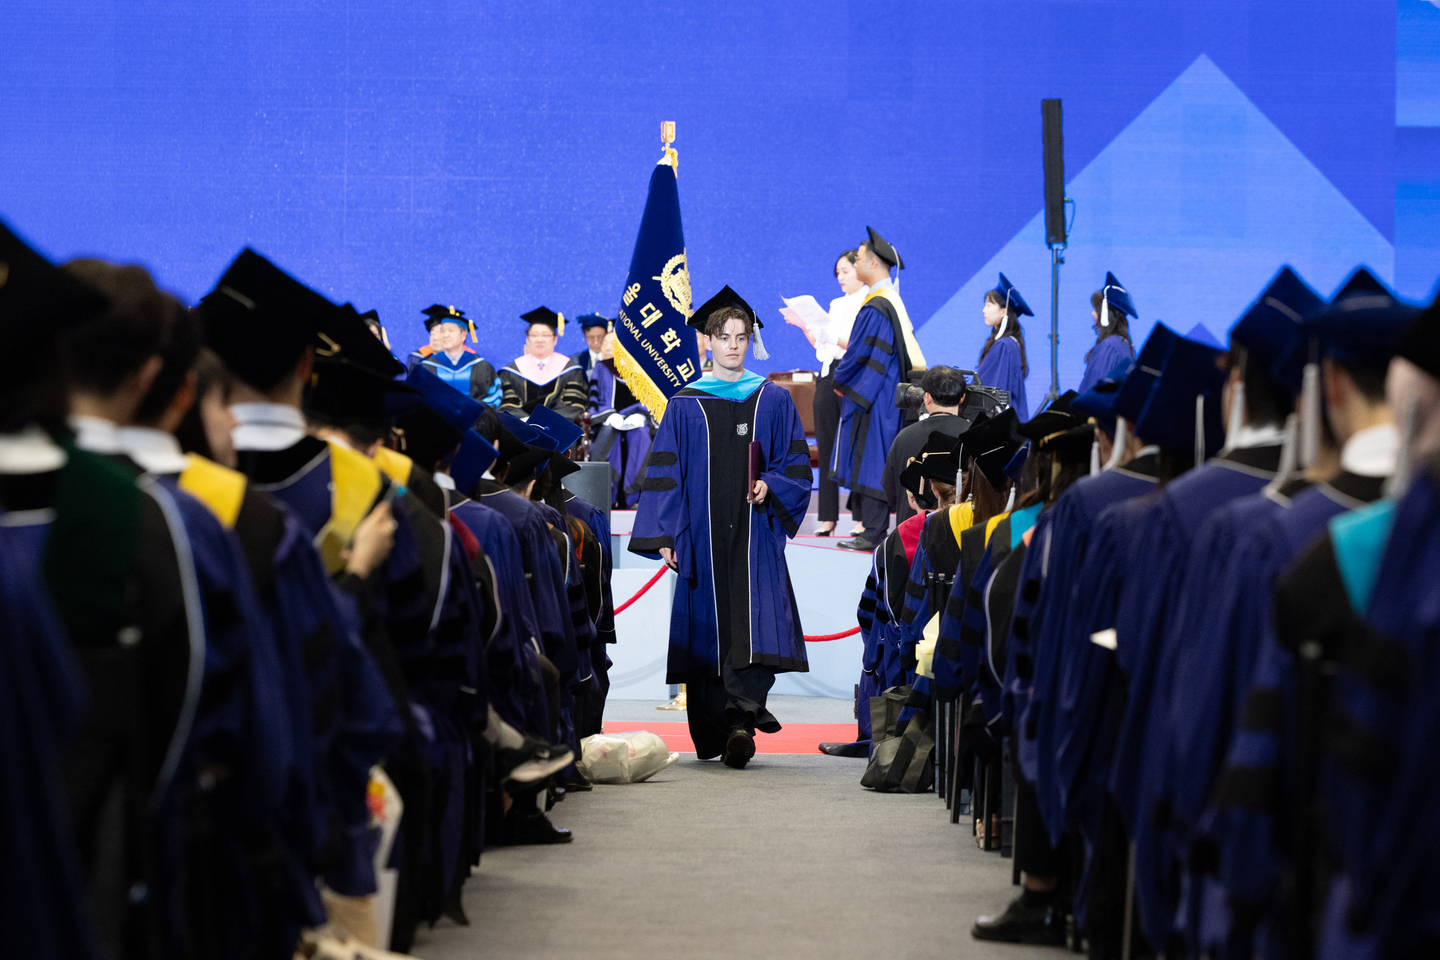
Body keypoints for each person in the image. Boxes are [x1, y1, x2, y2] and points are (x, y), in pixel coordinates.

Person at [629, 285, 813, 769]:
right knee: (710, 627)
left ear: (750, 341)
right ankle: (719, 728)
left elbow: (795, 466)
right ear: (707, 342)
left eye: (742, 336)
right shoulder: (685, 403)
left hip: (754, 536)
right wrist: (666, 534)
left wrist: (770, 486)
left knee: (751, 621)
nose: (734, 344)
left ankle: (740, 723)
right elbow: (666, 474)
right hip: (701, 536)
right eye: (724, 336)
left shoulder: (772, 399)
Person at [834, 228, 927, 552]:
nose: (855, 261)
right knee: (878, 460)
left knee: (873, 460)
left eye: (858, 258)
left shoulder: (877, 306)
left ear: (873, 263)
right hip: (887, 393)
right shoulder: (888, 300)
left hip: (876, 397)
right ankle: (873, 530)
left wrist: (840, 380)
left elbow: (863, 353)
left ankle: (872, 532)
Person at [788, 249, 867, 536]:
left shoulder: (870, 303)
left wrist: (833, 338)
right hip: (827, 373)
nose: (841, 277)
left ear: (860, 269)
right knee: (827, 444)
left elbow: (860, 346)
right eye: (837, 274)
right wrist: (803, 326)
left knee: (857, 445)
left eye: (845, 271)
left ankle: (861, 516)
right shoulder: (835, 304)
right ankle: (828, 517)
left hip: (854, 375)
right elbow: (823, 346)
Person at [883, 365, 975, 525]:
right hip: (962, 532)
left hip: (911, 533)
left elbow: (890, 491)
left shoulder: (904, 437)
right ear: (962, 398)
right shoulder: (975, 434)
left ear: (926, 398)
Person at [498, 306, 589, 420]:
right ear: (527, 339)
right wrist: (527, 422)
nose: (540, 339)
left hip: (559, 429)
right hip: (521, 430)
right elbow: (508, 404)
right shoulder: (511, 371)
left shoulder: (571, 370)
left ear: (555, 339)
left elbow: (574, 405)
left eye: (545, 335)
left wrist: (548, 422)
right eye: (534, 335)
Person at [406, 304, 503, 406]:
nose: (445, 335)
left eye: (451, 330)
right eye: (442, 331)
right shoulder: (425, 367)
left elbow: (493, 398)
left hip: (474, 420)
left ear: (463, 335)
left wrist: (474, 413)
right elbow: (414, 398)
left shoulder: (482, 367)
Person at [976, 273, 1032, 422]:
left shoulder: (1004, 346)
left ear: (1003, 310)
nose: (984, 310)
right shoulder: (1011, 343)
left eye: (989, 305)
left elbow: (992, 388)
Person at [1076, 272, 1137, 395]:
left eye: (1096, 309)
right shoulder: (1125, 345)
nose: (1093, 313)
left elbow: (1092, 392)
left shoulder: (1109, 347)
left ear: (1105, 314)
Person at [570, 312, 610, 377]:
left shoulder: (616, 360)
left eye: (600, 337)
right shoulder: (575, 361)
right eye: (591, 338)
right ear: (584, 336)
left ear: (606, 335)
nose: (596, 342)